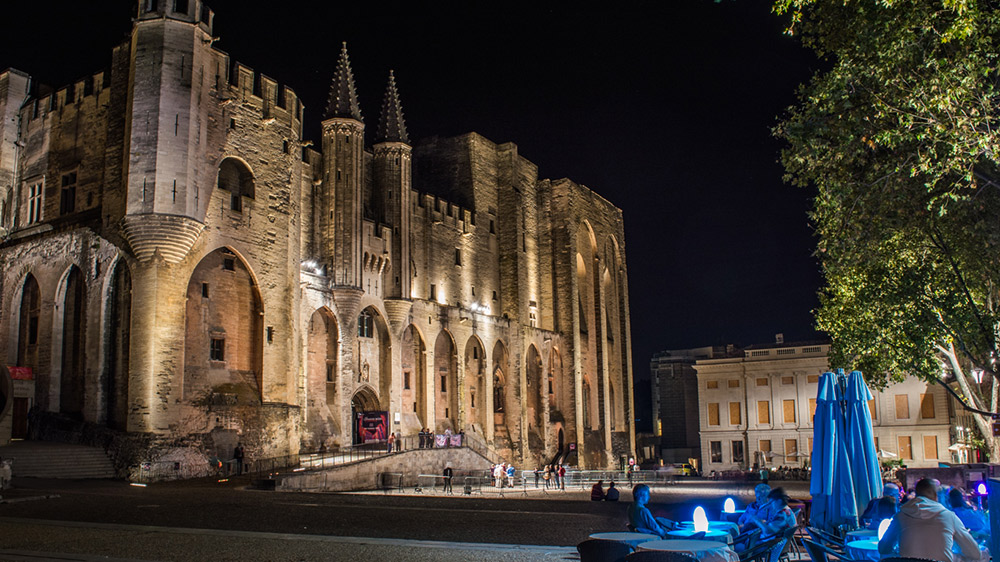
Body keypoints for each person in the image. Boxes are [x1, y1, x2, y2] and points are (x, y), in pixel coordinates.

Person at [878, 478, 980, 562]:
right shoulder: (949, 517)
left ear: (916, 494)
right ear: (936, 496)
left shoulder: (901, 516)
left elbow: (883, 548)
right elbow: (975, 554)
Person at [745, 487, 797, 562]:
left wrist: (756, 520)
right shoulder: (787, 511)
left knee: (742, 547)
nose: (771, 505)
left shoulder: (782, 515)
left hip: (771, 546)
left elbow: (768, 531)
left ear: (779, 501)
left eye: (772, 502)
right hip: (777, 544)